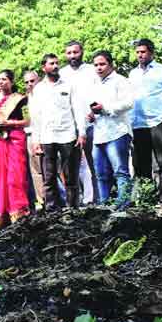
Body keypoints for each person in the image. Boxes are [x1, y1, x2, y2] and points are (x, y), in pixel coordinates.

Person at [129, 39, 162, 204]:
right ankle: (147, 200)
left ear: (151, 52)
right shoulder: (133, 74)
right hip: (138, 124)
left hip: (158, 121)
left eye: (143, 52)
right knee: (141, 163)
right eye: (137, 52)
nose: (140, 55)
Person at [32, 54, 86, 211]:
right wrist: (36, 140)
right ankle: (51, 210)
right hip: (47, 136)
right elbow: (36, 117)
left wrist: (81, 133)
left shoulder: (68, 85)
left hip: (68, 135)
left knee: (71, 176)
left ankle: (72, 209)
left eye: (56, 63)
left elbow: (77, 109)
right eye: (51, 64)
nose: (55, 66)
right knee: (49, 177)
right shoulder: (39, 89)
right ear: (44, 68)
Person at [88, 51, 133, 210]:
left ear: (111, 64)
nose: (99, 68)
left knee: (120, 172)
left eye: (102, 64)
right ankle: (104, 206)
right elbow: (92, 106)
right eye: (96, 65)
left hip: (117, 132)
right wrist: (92, 114)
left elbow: (128, 103)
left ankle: (123, 207)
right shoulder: (94, 83)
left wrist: (105, 109)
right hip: (99, 133)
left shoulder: (120, 81)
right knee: (100, 174)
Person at [0, 70, 31, 227]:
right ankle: (1, 216)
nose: (1, 82)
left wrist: (9, 123)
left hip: (15, 140)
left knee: (15, 176)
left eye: (4, 79)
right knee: (0, 177)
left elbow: (27, 121)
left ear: (11, 82)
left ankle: (19, 213)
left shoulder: (20, 100)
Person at [59, 40, 98, 206]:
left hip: (91, 123)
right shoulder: (61, 73)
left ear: (82, 52)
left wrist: (95, 110)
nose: (72, 56)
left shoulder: (91, 70)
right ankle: (76, 201)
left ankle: (96, 199)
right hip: (69, 126)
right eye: (69, 53)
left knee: (93, 162)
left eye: (75, 52)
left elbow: (99, 91)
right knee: (71, 166)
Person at [23, 70, 45, 209]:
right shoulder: (25, 99)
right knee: (35, 172)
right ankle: (43, 201)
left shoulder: (45, 96)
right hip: (30, 136)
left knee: (50, 170)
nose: (30, 84)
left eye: (32, 81)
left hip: (45, 136)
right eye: (27, 82)